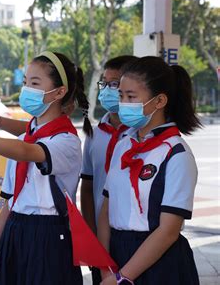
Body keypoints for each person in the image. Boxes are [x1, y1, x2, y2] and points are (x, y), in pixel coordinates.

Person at [0, 51, 92, 285]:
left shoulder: (66, 141)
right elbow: (10, 203)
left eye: (35, 83)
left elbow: (30, 153)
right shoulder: (26, 136)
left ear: (59, 92)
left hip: (49, 237)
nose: (26, 89)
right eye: (26, 82)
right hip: (15, 232)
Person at [97, 57, 201, 285]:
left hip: (159, 264)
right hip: (115, 256)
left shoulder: (177, 154)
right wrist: (106, 268)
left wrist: (123, 277)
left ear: (160, 101)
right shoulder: (124, 144)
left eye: (131, 97)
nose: (123, 103)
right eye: (121, 95)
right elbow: (105, 210)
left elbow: (168, 231)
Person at [80, 56, 138, 284]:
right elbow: (87, 186)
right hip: (101, 239)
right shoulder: (94, 134)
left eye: (115, 84)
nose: (108, 90)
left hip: (133, 235)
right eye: (105, 83)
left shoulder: (139, 135)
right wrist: (91, 232)